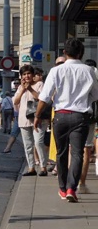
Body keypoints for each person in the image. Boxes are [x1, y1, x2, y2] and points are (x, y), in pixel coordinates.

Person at [34, 38, 98, 203]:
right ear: (81, 53)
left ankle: (62, 189)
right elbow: (96, 94)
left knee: (61, 153)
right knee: (77, 153)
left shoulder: (56, 71)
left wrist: (37, 115)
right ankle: (72, 188)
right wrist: (85, 101)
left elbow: (45, 96)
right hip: (81, 116)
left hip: (61, 115)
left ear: (64, 52)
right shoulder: (89, 70)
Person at [14, 64, 47, 177]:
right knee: (28, 145)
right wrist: (23, 89)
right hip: (24, 119)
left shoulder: (39, 84)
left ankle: (43, 167)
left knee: (38, 143)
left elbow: (41, 98)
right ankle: (31, 167)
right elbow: (15, 102)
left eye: (29, 73)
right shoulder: (20, 87)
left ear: (33, 75)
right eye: (24, 74)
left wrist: (30, 89)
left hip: (38, 119)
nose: (27, 76)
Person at [78, 59, 98, 194]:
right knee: (86, 150)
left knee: (72, 150)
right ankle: (82, 183)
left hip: (72, 115)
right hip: (90, 117)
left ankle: (70, 184)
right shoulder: (95, 75)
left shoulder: (77, 74)